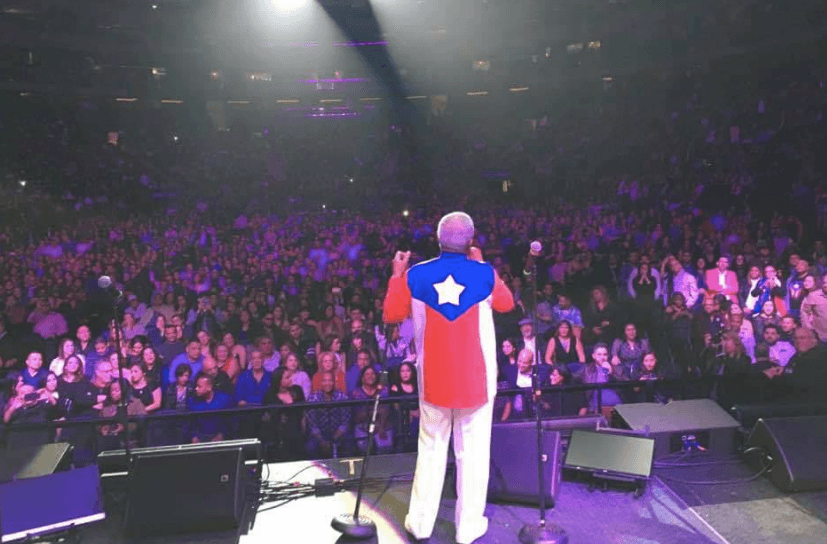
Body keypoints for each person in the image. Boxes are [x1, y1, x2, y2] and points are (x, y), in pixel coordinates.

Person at [383, 211, 514, 544]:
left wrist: (396, 274)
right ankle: (468, 529)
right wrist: (481, 263)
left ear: (438, 240)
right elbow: (507, 304)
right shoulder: (484, 274)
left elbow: (391, 314)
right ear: (471, 242)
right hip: (477, 383)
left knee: (431, 450)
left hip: (433, 384)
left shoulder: (416, 274)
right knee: (472, 456)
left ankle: (421, 524)